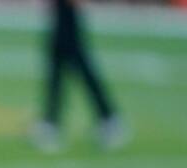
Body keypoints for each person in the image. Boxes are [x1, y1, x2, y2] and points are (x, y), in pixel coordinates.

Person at [32, 0, 127, 152]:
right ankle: (52, 121)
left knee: (74, 64)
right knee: (60, 65)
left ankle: (108, 118)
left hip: (68, 14)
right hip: (62, 12)